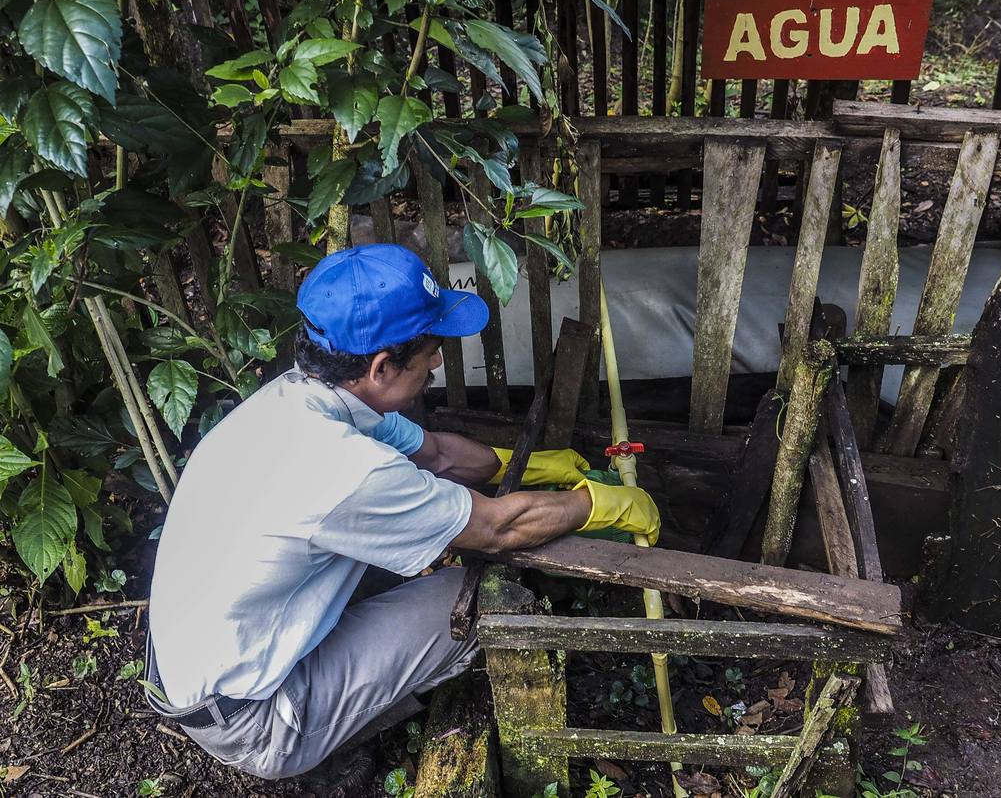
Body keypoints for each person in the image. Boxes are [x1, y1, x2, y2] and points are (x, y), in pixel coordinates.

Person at [146, 243, 660, 781]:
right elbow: (497, 528)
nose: (438, 359)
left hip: (201, 667)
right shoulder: (344, 469)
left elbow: (438, 454)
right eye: (430, 349)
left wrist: (537, 467)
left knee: (402, 561)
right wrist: (598, 504)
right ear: (382, 366)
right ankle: (328, 745)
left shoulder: (305, 398)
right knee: (469, 601)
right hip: (253, 720)